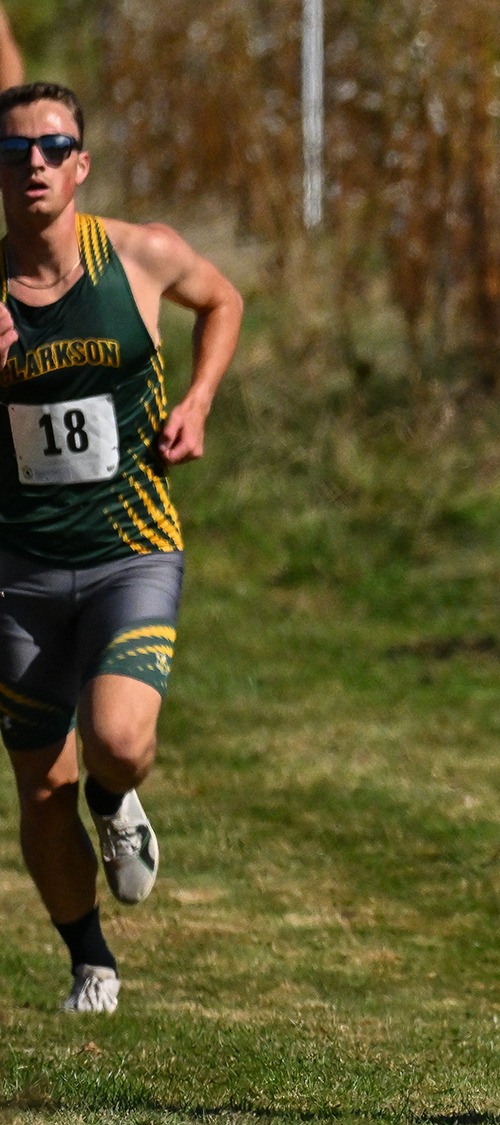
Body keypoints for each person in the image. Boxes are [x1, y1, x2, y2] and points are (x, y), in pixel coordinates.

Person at [0, 82, 244, 1014]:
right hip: (18, 571)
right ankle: (89, 959)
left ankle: (120, 796)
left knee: (118, 742)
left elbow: (221, 299)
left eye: (53, 147)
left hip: (130, 549)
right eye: (14, 151)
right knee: (39, 781)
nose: (33, 164)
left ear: (81, 163)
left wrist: (200, 400)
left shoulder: (137, 255)